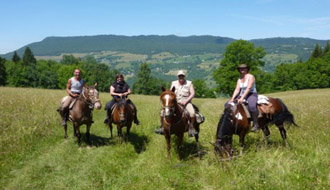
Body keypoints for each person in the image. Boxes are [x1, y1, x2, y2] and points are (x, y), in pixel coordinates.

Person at [154, 70, 198, 137]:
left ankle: (191, 128)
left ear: (184, 76)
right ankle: (162, 127)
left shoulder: (189, 83)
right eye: (179, 76)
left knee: (192, 113)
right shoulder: (174, 83)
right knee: (162, 112)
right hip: (175, 102)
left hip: (186, 102)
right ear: (178, 76)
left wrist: (186, 101)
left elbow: (192, 93)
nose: (181, 77)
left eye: (182, 76)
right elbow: (171, 93)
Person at [228, 64, 259, 132]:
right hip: (241, 95)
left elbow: (249, 88)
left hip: (251, 94)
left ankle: (255, 124)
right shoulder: (239, 79)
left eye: (244, 68)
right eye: (240, 68)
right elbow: (237, 89)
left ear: (247, 69)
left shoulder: (251, 77)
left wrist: (242, 98)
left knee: (252, 106)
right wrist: (232, 98)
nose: (242, 69)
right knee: (227, 104)